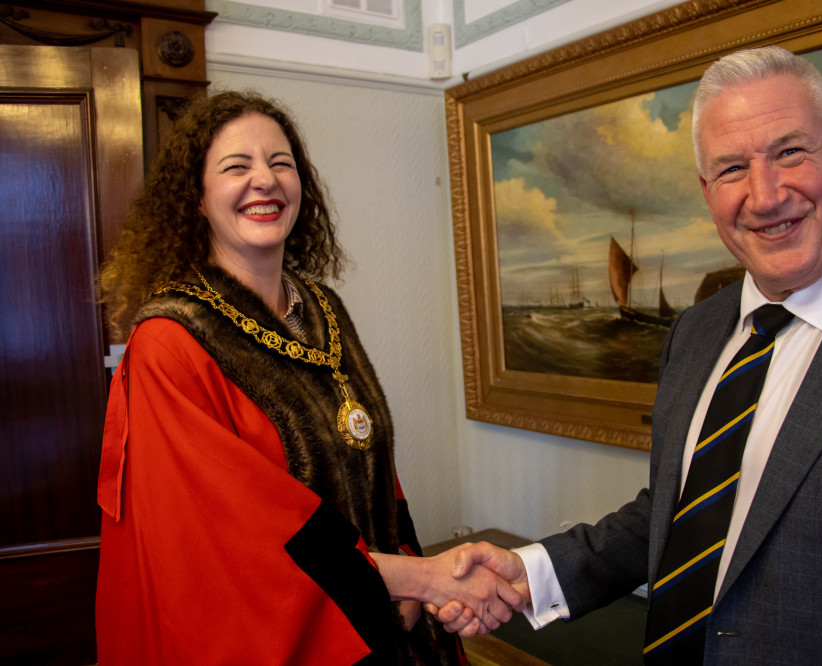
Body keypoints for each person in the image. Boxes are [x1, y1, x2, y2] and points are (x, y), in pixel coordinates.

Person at [432, 45, 822, 662]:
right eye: (732, 169)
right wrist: (530, 571)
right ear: (708, 193)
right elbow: (680, 511)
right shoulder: (698, 330)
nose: (765, 194)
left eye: (789, 152)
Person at [96, 90, 522, 665]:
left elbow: (371, 466)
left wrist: (412, 577)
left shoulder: (323, 310)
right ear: (196, 198)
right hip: (295, 638)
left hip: (391, 616)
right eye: (236, 167)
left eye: (281, 163)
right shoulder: (170, 344)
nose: (264, 181)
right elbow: (238, 538)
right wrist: (413, 580)